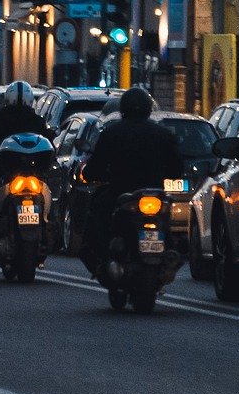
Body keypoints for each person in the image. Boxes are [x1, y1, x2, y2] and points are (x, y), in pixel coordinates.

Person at [78, 87, 183, 274]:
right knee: (166, 218)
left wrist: (93, 174)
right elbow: (177, 169)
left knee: (97, 214)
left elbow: (95, 167)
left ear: (124, 109)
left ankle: (102, 255)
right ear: (148, 108)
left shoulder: (112, 133)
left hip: (121, 192)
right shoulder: (163, 134)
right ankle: (170, 248)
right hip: (154, 193)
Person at [0, 80, 50, 252]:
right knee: (48, 196)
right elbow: (48, 143)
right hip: (32, 173)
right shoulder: (37, 120)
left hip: (7, 172)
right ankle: (47, 228)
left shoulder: (2, 117)